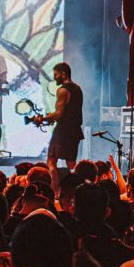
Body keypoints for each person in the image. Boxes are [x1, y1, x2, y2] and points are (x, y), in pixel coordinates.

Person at [35, 62, 84, 194]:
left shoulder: (62, 90)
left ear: (63, 74)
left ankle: (54, 192)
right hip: (75, 131)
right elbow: (70, 112)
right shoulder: (78, 89)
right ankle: (75, 191)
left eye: (56, 75)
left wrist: (42, 119)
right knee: (71, 163)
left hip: (63, 130)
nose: (54, 77)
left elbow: (58, 113)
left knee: (51, 160)